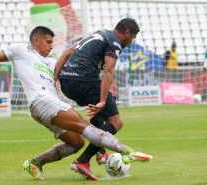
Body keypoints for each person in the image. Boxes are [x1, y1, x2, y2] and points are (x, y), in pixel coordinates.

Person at [0, 26, 151, 181]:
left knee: (76, 143)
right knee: (83, 125)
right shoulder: (21, 51)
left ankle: (35, 163)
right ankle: (125, 151)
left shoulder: (52, 62)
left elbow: (70, 59)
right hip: (41, 102)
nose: (52, 47)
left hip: (47, 107)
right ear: (36, 40)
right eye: (48, 42)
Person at [54, 18, 150, 179]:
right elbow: (108, 70)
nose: (131, 41)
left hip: (68, 83)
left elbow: (67, 52)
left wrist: (56, 76)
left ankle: (101, 151)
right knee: (115, 122)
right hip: (84, 81)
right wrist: (103, 100)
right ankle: (82, 161)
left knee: (98, 120)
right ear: (126, 31)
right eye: (132, 37)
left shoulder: (99, 34)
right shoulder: (114, 42)